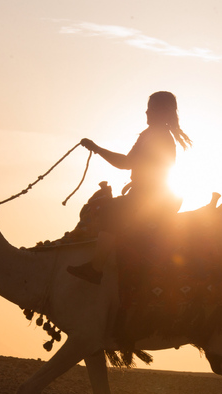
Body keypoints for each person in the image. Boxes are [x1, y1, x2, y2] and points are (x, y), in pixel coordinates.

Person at [67, 91, 192, 284]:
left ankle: (96, 268)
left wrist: (97, 149)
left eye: (150, 108)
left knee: (108, 211)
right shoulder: (150, 135)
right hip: (151, 194)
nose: (146, 112)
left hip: (156, 198)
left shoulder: (157, 136)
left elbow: (128, 163)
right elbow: (136, 164)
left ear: (160, 111)